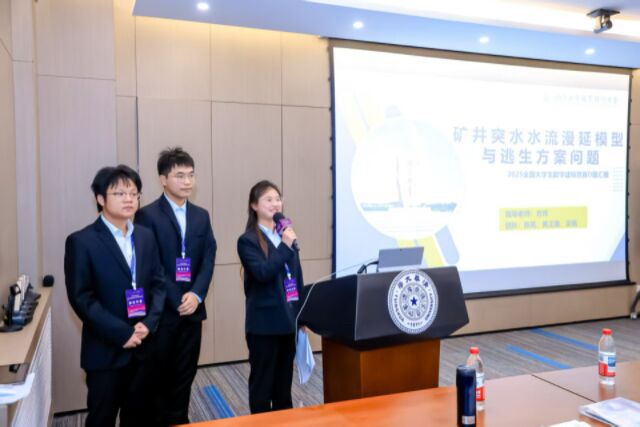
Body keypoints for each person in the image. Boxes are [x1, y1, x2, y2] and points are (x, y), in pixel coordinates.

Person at [64, 165, 166, 427]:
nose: (129, 199)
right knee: (102, 418)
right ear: (100, 199)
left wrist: (149, 323)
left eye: (134, 193)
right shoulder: (81, 241)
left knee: (141, 417)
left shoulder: (146, 236)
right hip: (105, 351)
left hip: (144, 347)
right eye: (120, 193)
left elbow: (159, 284)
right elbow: (82, 298)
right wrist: (122, 333)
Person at [135, 147, 217, 425]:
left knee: (186, 374)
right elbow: (151, 263)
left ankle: (180, 419)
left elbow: (208, 257)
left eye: (191, 175)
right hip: (163, 314)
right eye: (179, 175)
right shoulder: (147, 215)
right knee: (159, 378)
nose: (187, 181)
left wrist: (197, 294)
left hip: (192, 311)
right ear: (163, 179)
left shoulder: (201, 215)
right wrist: (177, 298)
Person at [237, 180, 304, 414]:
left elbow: (297, 277)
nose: (275, 204)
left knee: (283, 387)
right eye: (268, 199)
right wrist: (285, 246)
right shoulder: (247, 241)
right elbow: (263, 273)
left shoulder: (285, 236)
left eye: (278, 199)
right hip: (264, 326)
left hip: (287, 322)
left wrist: (302, 315)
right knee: (262, 387)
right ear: (254, 205)